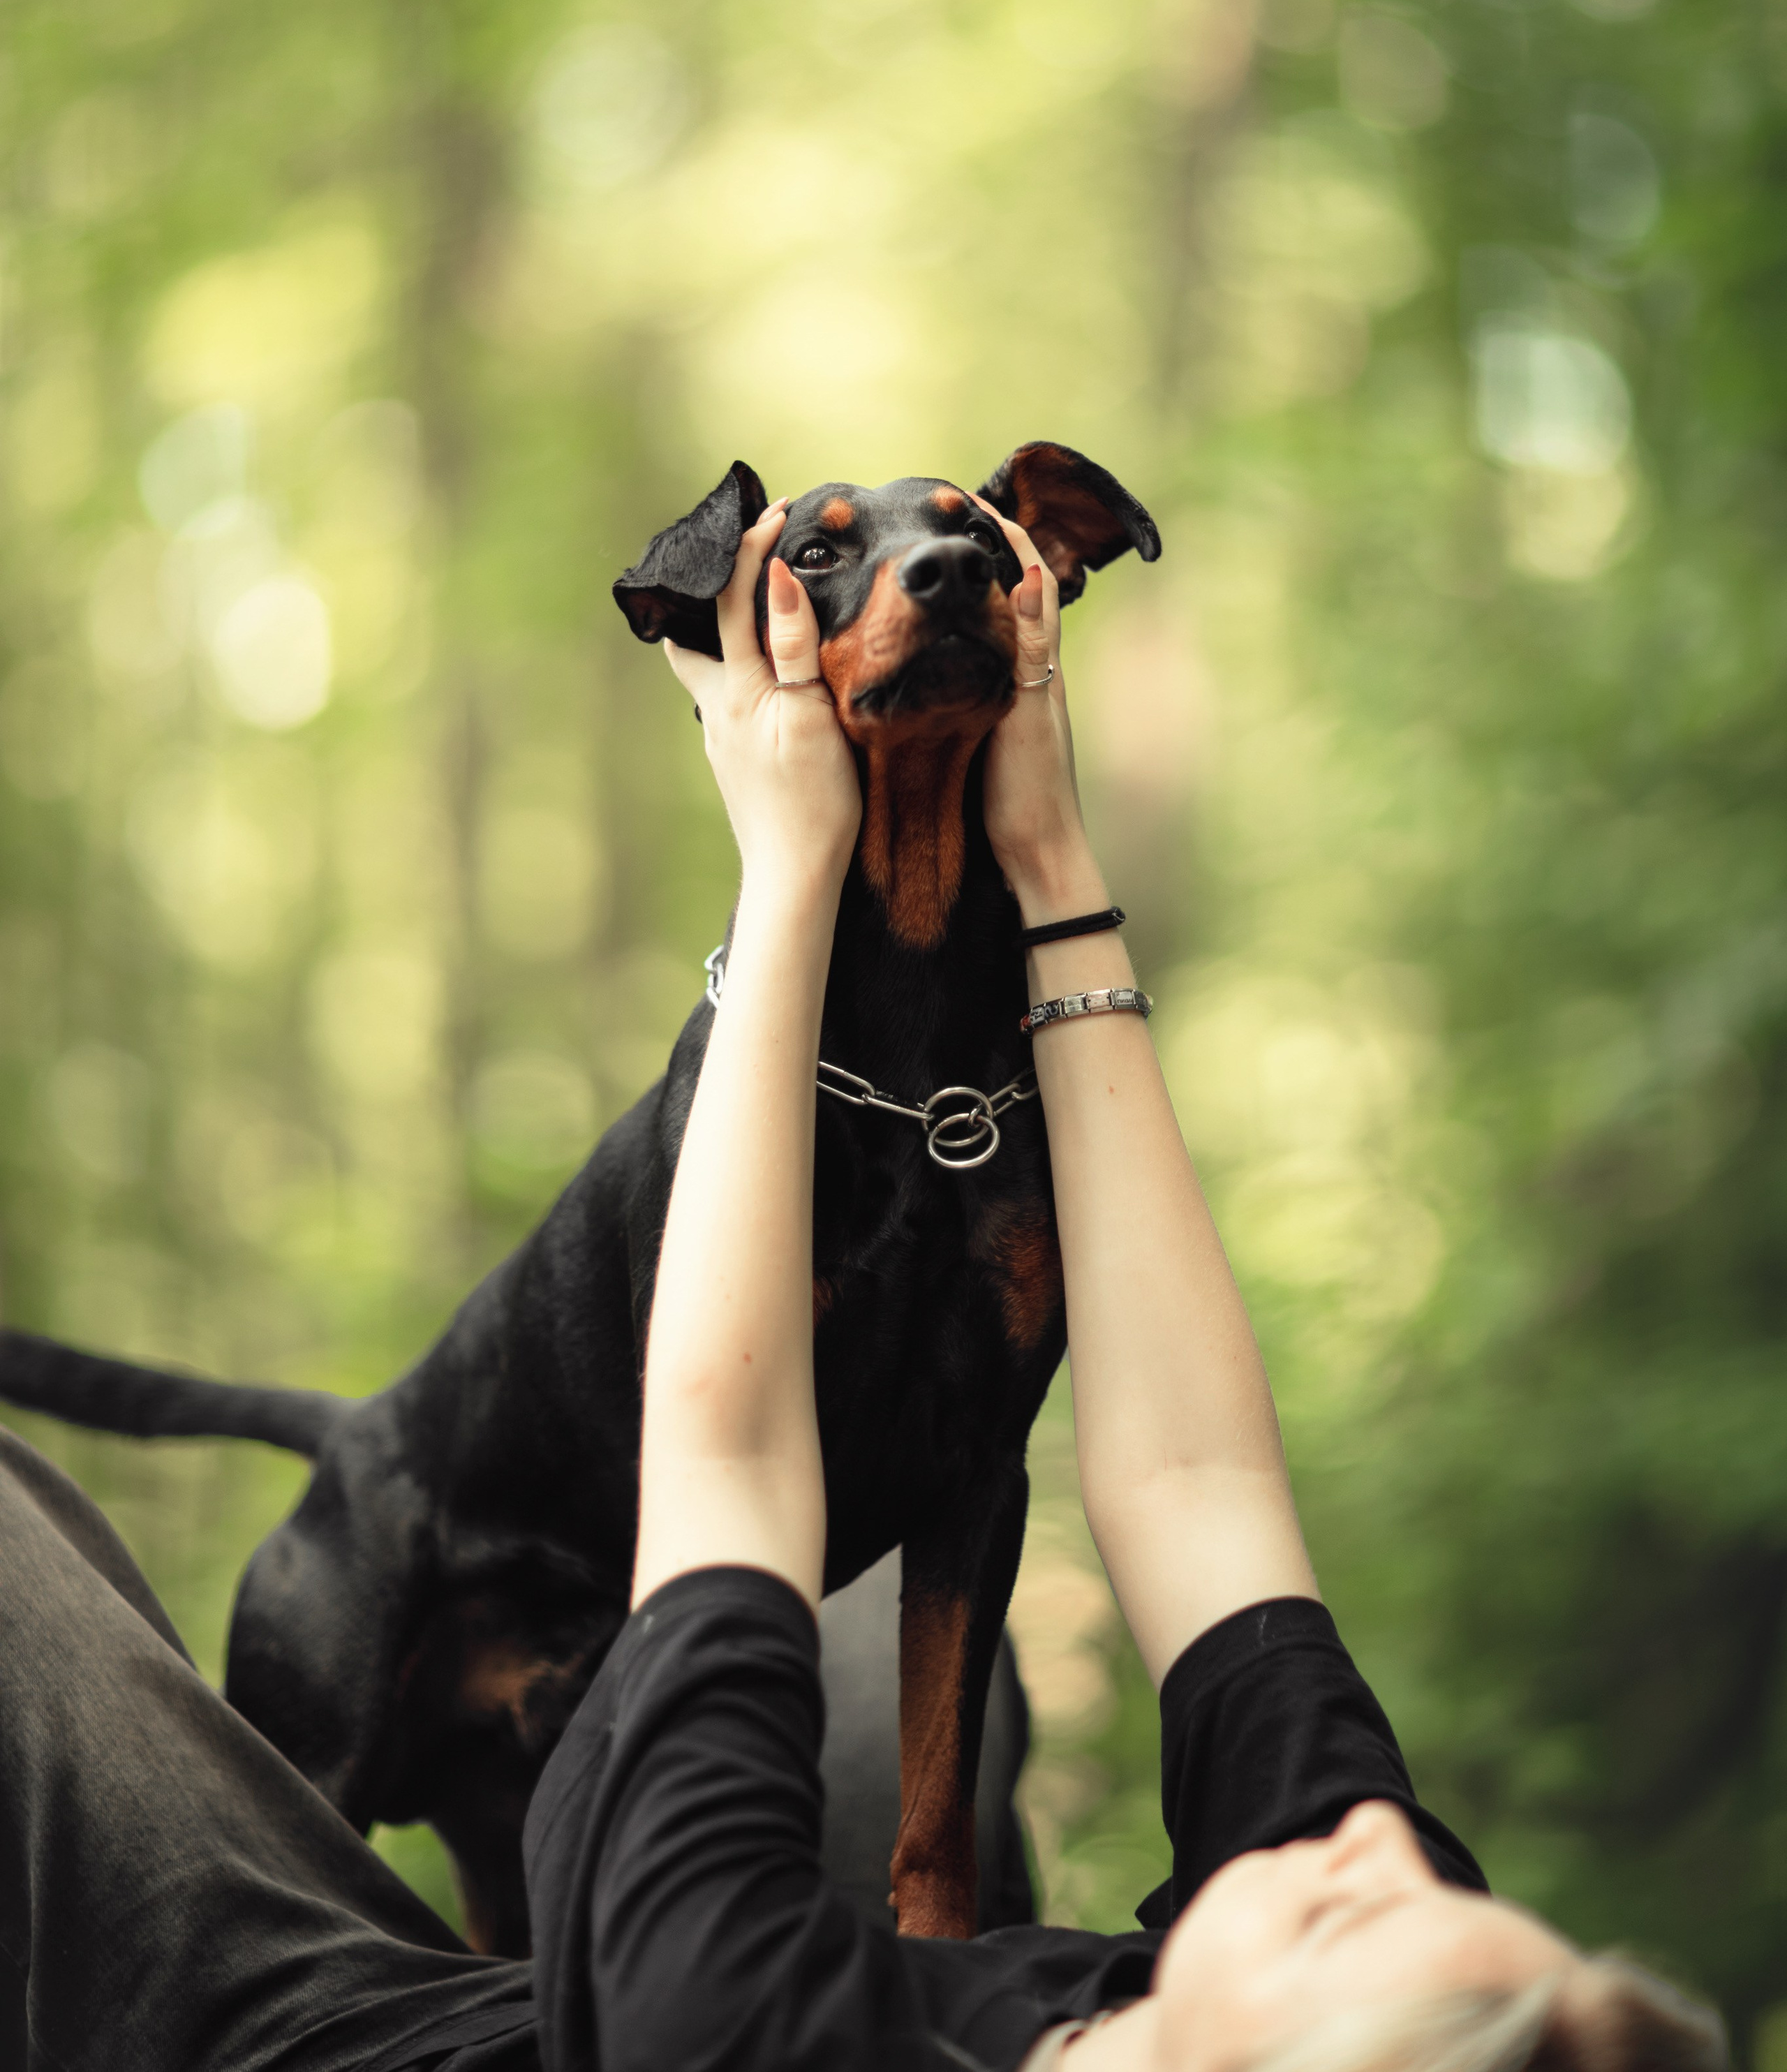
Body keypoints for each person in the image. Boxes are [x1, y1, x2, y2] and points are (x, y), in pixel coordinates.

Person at [0, 500, 1727, 2072]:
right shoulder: (1336, 1916)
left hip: (297, 2027)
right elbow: (1198, 1481)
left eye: (1365, 1910)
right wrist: (1052, 863)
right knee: (867, 1704)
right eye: (1439, 1876)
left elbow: (733, 1461)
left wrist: (784, 868)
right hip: (680, 1911)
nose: (1362, 1841)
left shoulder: (754, 2032)